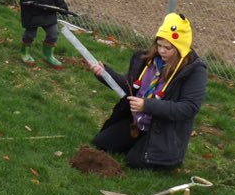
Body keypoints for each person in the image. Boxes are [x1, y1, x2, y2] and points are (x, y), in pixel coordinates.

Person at [89, 12, 207, 170]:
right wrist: (105, 74)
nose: (162, 51)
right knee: (100, 143)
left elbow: (188, 108)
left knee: (134, 162)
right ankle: (138, 141)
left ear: (181, 48)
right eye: (159, 45)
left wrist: (147, 106)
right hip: (137, 123)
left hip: (164, 131)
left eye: (168, 48)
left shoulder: (194, 71)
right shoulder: (146, 60)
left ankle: (148, 149)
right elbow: (130, 88)